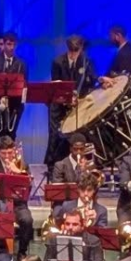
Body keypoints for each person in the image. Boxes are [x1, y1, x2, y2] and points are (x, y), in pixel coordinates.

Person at [44, 35, 98, 168]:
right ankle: (51, 166)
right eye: (71, 51)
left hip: (79, 105)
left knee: (78, 136)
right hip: (60, 106)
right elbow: (56, 86)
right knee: (55, 137)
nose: (73, 54)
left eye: (76, 51)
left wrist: (101, 80)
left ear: (81, 48)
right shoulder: (57, 62)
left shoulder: (87, 62)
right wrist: (67, 99)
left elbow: (92, 80)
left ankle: (78, 166)